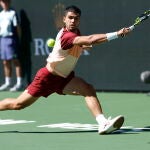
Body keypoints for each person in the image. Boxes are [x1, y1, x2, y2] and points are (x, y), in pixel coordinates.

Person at [0, 5, 131, 134]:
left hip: (64, 78)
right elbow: (90, 39)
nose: (73, 21)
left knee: (87, 89)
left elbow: (87, 42)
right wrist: (117, 34)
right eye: (70, 18)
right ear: (64, 19)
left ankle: (103, 123)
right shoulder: (66, 36)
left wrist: (82, 46)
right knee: (17, 105)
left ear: (79, 20)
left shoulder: (76, 33)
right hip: (47, 78)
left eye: (76, 18)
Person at [0, 0, 23, 91]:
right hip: (2, 39)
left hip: (11, 39)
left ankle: (19, 83)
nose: (5, 4)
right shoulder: (0, 14)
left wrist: (18, 39)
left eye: (6, 2)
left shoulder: (13, 13)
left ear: (9, 3)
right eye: (3, 2)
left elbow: (17, 28)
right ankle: (8, 82)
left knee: (15, 61)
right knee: (5, 62)